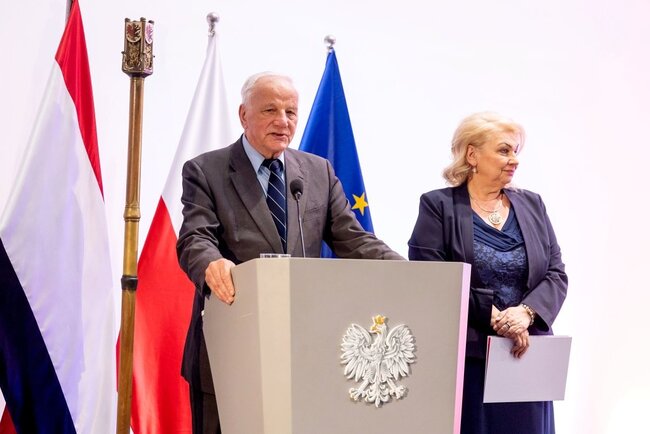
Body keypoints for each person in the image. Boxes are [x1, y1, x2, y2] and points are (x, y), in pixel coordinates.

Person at [176, 71, 402, 434]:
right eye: (270, 110)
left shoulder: (317, 172)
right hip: (230, 343)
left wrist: (407, 271)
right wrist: (211, 263)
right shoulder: (206, 170)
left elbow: (354, 240)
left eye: (291, 112)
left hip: (300, 347)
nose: (283, 121)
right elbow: (195, 237)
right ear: (244, 115)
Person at [408, 112, 567, 433]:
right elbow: (432, 279)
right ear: (472, 155)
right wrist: (494, 317)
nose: (514, 160)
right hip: (469, 357)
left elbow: (555, 273)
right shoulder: (438, 206)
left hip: (525, 354)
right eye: (504, 150)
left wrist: (525, 313)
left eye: (516, 151)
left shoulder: (532, 204)